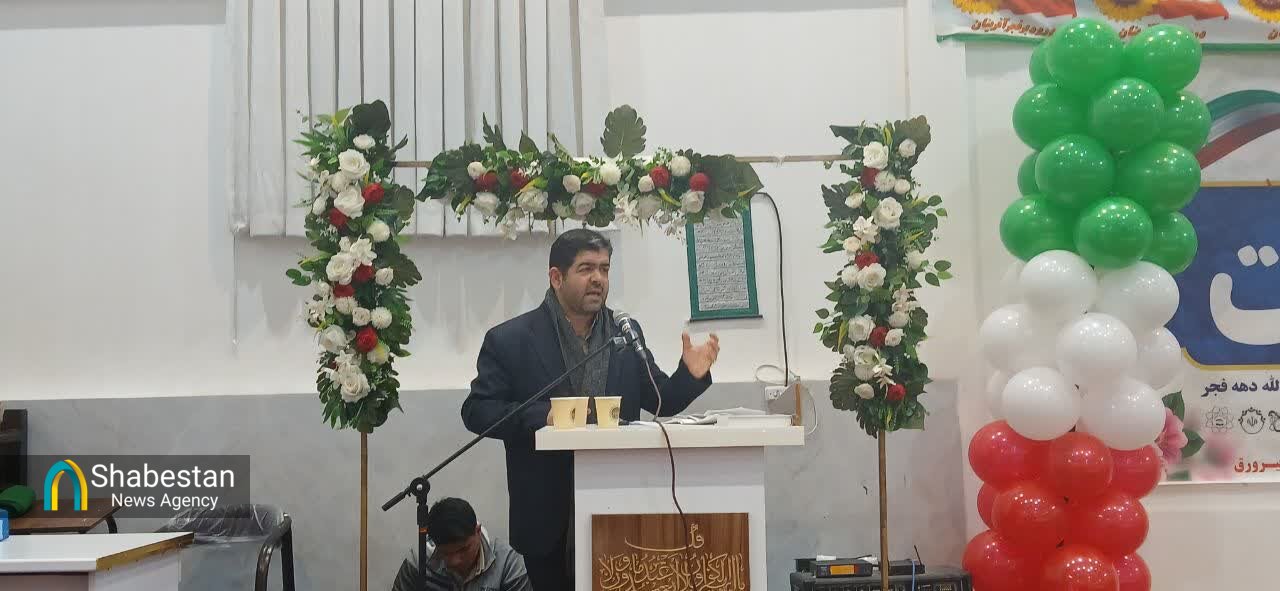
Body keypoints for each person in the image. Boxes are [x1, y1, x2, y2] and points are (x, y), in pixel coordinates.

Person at [461, 228, 720, 591]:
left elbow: (661, 400)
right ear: (556, 277)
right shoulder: (511, 339)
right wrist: (543, 417)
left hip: (620, 504)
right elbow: (478, 411)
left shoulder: (624, 332)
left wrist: (690, 375)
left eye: (604, 269)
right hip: (546, 515)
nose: (598, 278)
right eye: (586, 269)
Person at [392, 497, 532, 591]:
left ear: (477, 531)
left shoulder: (508, 565)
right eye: (445, 553)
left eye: (464, 549)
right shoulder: (418, 563)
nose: (455, 561)